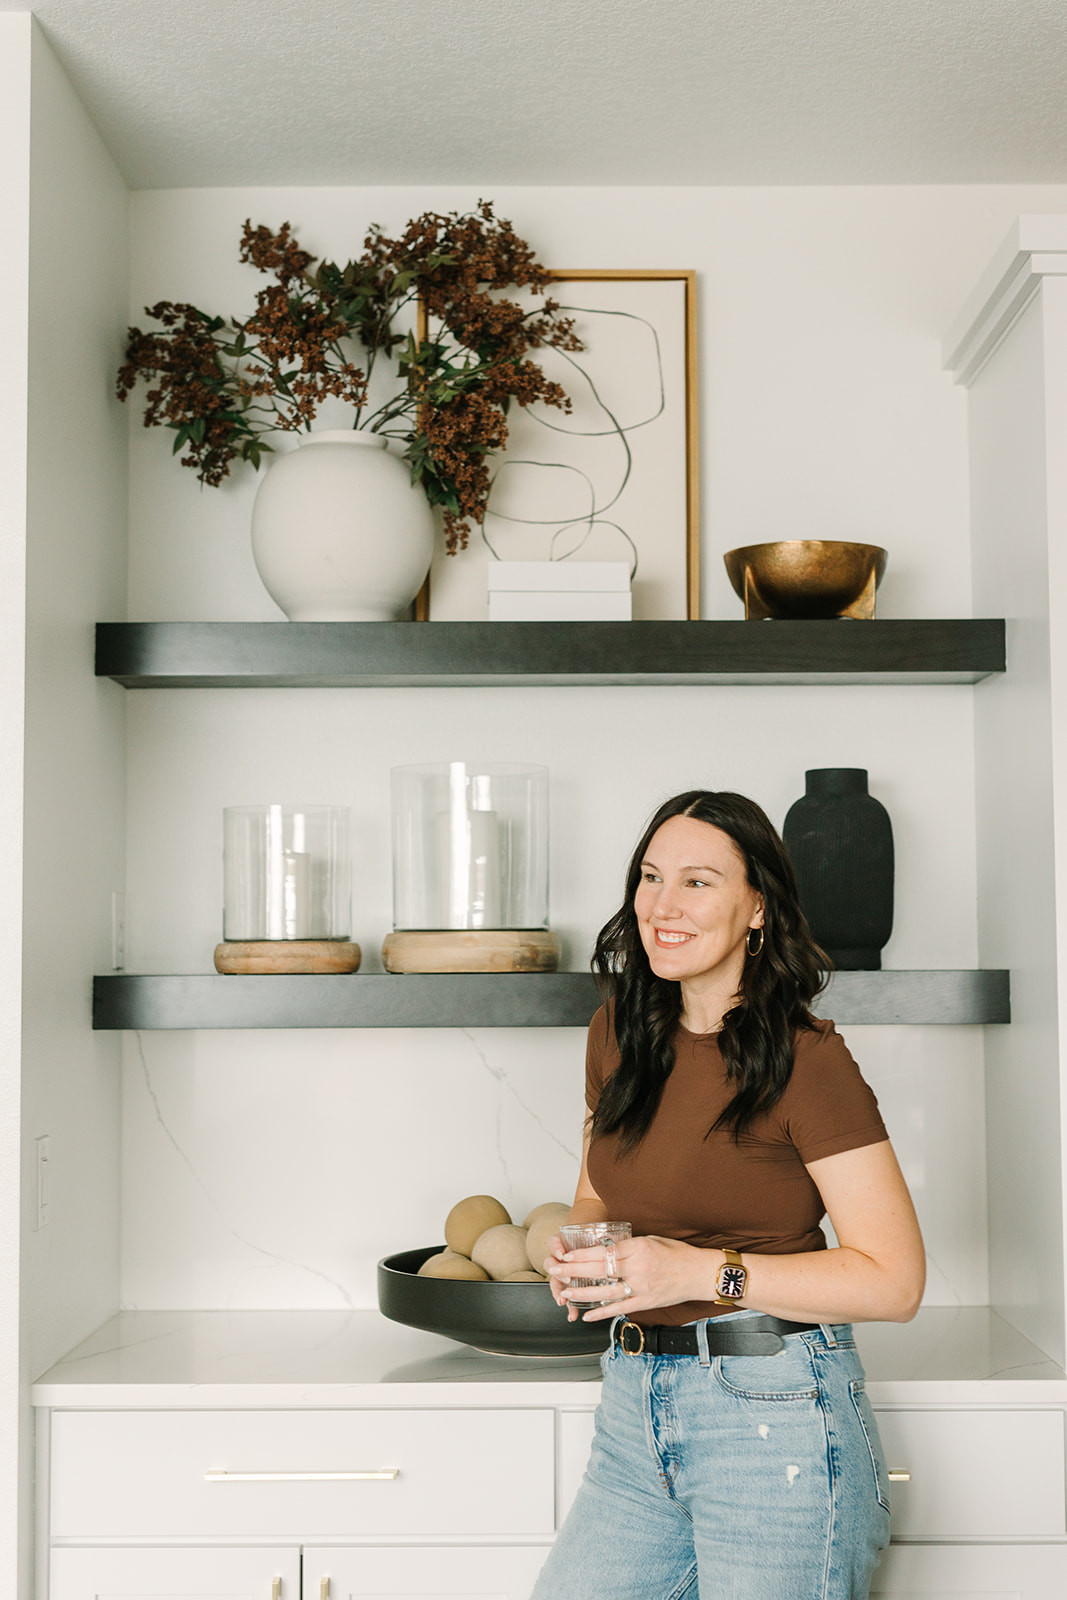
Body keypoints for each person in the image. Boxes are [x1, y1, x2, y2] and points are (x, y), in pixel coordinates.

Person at [534, 789, 925, 1600]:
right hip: (632, 1407)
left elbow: (892, 1281)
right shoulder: (619, 1033)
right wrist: (577, 1251)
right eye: (649, 877)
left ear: (757, 907)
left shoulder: (806, 1060)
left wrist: (693, 1273)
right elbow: (591, 1196)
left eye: (698, 882)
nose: (662, 906)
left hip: (773, 1411)